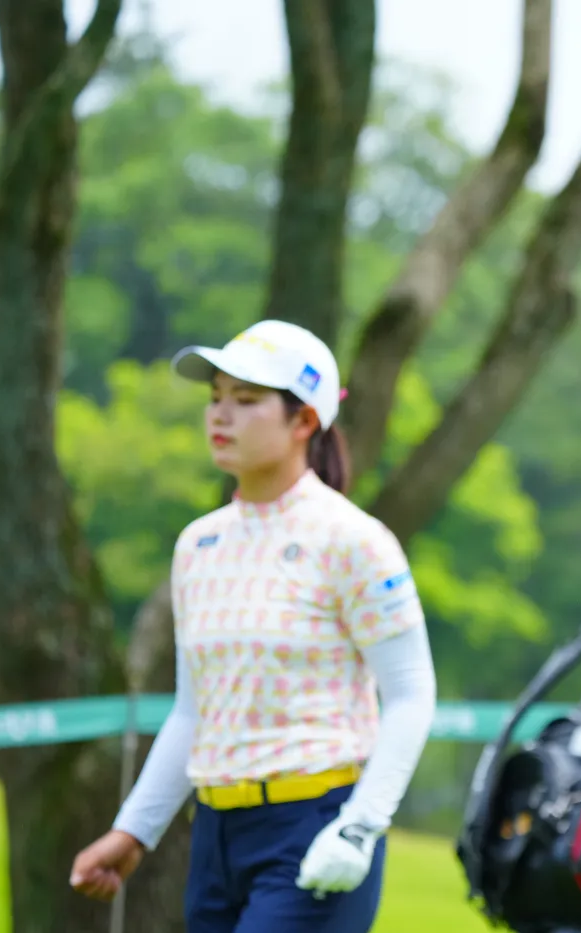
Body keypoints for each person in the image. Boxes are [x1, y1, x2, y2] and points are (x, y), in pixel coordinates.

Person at [68, 320, 437, 933]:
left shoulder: (353, 541)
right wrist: (133, 832)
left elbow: (411, 694)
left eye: (246, 400)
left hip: (315, 828)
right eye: (216, 397)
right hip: (215, 835)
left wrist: (361, 825)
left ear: (304, 420)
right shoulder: (199, 545)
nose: (221, 415)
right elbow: (194, 712)